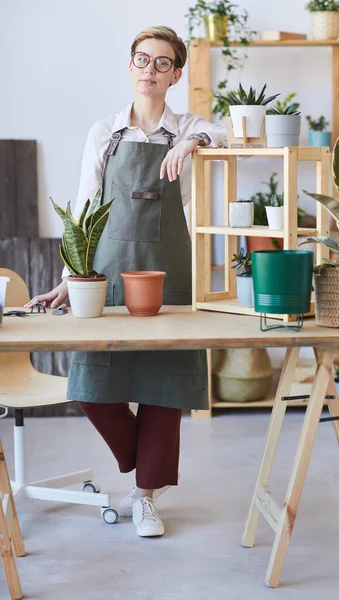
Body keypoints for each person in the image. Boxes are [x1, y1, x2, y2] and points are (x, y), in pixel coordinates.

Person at [25, 26, 225, 537]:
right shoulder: (105, 131)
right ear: (130, 66)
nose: (150, 70)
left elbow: (222, 133)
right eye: (142, 60)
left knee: (164, 388)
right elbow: (84, 206)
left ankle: (145, 496)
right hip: (108, 273)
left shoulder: (189, 127)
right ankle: (148, 465)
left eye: (162, 63)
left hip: (169, 274)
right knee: (91, 386)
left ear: (176, 73)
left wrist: (191, 144)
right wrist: (71, 279)